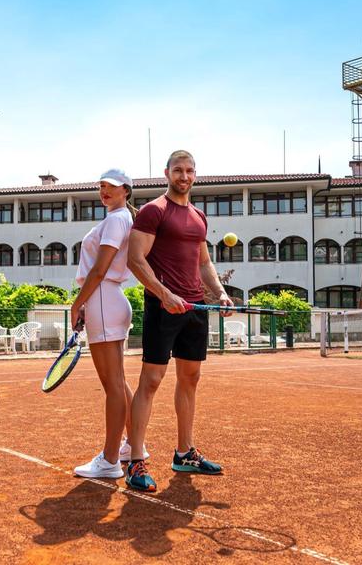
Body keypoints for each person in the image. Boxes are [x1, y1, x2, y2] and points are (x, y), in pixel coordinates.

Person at [125, 150, 233, 492]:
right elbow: (135, 259)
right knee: (151, 380)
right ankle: (135, 460)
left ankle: (185, 453)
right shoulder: (153, 211)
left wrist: (220, 293)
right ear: (167, 173)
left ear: (195, 175)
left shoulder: (199, 216)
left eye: (189, 171)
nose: (184, 176)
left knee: (191, 378)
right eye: (178, 170)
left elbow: (203, 263)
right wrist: (163, 294)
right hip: (163, 307)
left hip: (195, 306)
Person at [71, 169, 148, 479]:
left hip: (103, 299)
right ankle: (131, 447)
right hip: (108, 299)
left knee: (113, 385)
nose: (104, 191)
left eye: (111, 186)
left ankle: (110, 459)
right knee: (119, 381)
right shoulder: (121, 218)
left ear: (125, 190)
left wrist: (77, 303)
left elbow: (100, 269)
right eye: (101, 186)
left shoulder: (117, 220)